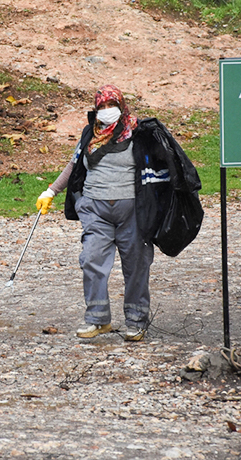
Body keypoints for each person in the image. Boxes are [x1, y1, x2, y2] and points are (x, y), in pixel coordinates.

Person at [36, 85, 197, 342]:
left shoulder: (139, 134)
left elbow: (164, 163)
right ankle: (97, 319)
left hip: (133, 212)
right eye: (101, 107)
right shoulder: (90, 134)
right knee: (91, 258)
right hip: (94, 209)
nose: (106, 111)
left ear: (121, 106)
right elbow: (74, 164)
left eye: (111, 105)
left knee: (136, 265)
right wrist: (51, 191)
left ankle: (136, 320)